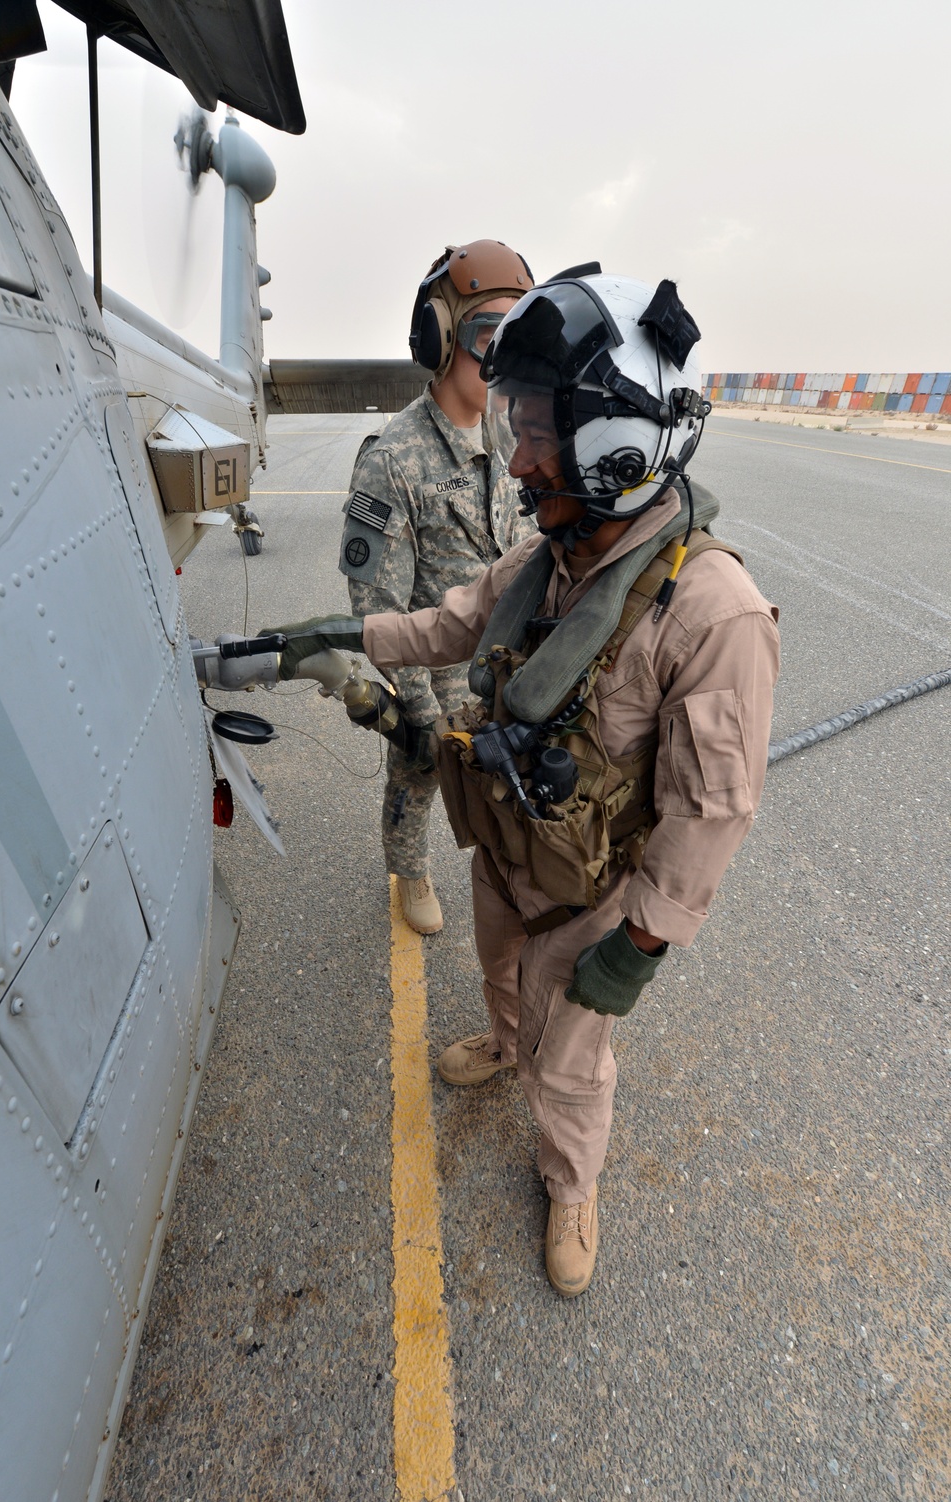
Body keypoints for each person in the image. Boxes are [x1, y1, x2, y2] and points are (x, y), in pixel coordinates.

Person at [265, 269, 780, 1296]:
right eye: (519, 421)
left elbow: (710, 811)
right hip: (508, 851)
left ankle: (572, 1179)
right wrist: (339, 634)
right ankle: (505, 1041)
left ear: (619, 444)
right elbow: (449, 621)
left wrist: (636, 949)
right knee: (504, 984)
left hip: (597, 901)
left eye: (544, 428)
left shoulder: (713, 610)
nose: (522, 453)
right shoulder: (550, 555)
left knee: (573, 1066)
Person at [339, 239, 536, 934]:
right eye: (489, 337)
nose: (503, 358)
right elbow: (376, 607)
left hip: (505, 661)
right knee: (419, 773)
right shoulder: (393, 458)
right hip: (432, 665)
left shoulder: (513, 435)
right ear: (443, 338)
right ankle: (409, 870)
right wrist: (418, 708)